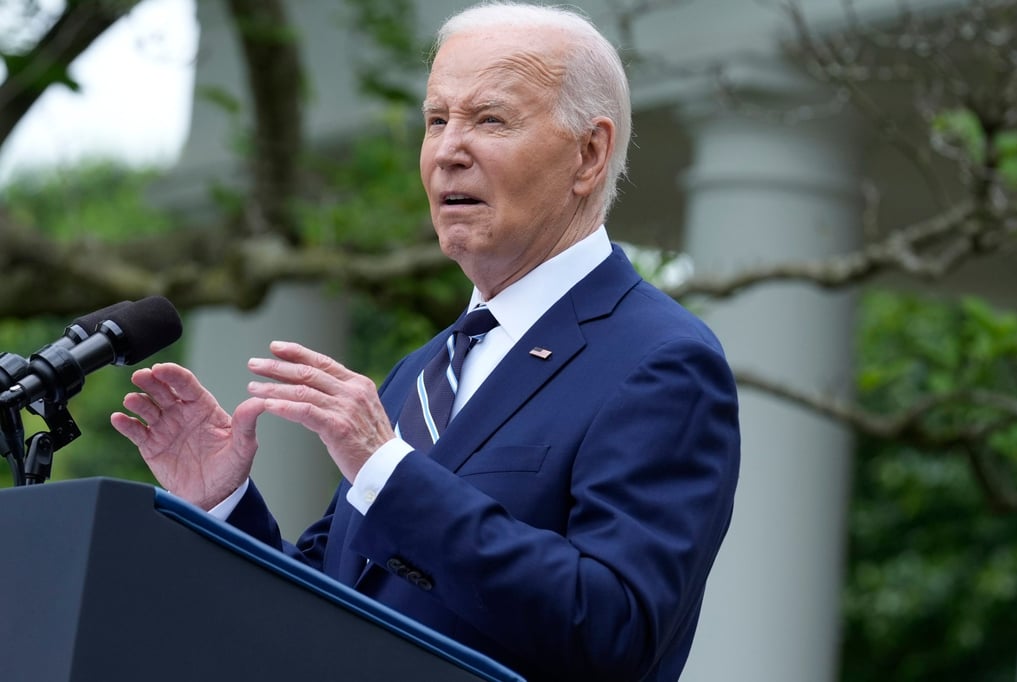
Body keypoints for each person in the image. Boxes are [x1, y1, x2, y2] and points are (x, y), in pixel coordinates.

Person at [111, 2, 741, 680]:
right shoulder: (421, 372)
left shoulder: (661, 361)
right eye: (436, 120)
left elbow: (613, 628)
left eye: (489, 119)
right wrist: (224, 505)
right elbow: (328, 603)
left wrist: (389, 472)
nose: (447, 151)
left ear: (588, 154)